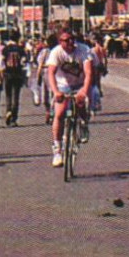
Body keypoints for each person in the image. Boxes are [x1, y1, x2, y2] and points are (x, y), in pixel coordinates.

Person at [46, 28, 95, 168]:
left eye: (72, 39)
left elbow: (89, 72)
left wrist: (84, 91)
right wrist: (56, 92)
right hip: (63, 86)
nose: (70, 43)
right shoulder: (56, 52)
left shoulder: (84, 50)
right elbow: (51, 73)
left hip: (80, 84)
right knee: (59, 113)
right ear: (60, 42)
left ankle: (84, 124)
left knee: (81, 104)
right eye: (66, 40)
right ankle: (57, 150)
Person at [1, 36, 27, 128]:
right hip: (17, 74)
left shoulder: (5, 49)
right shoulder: (20, 49)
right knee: (16, 96)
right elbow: (24, 61)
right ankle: (13, 119)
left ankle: (8, 111)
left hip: (8, 74)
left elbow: (2, 62)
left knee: (8, 95)